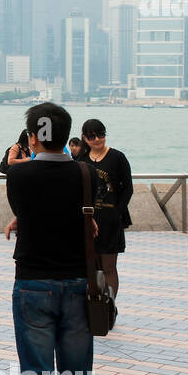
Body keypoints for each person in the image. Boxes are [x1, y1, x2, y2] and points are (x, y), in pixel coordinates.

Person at [4, 102, 94, 375]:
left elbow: (29, 209)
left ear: (31, 136)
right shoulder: (85, 172)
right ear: (65, 133)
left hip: (34, 286)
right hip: (78, 285)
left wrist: (16, 161)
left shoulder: (18, 175)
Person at [78, 118, 133, 298]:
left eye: (100, 134)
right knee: (91, 266)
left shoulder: (117, 157)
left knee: (109, 267)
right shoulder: (81, 160)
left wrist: (117, 212)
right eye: (91, 136)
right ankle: (94, 307)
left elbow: (128, 188)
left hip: (110, 220)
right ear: (84, 138)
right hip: (87, 220)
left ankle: (110, 307)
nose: (97, 139)